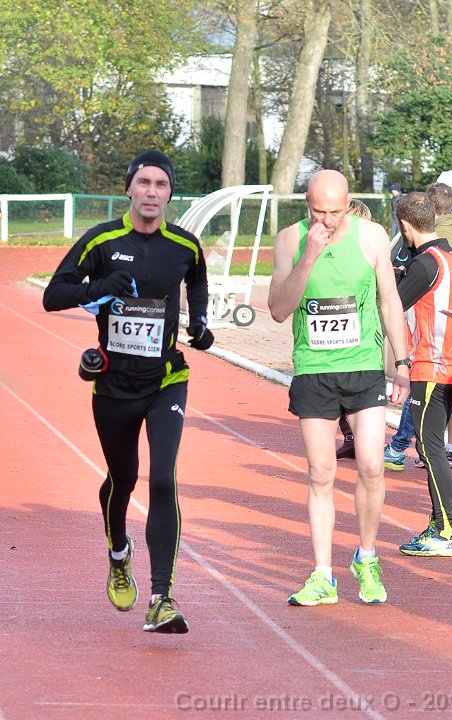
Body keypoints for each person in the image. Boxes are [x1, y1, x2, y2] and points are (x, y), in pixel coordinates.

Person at [43, 150, 214, 633]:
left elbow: (197, 280)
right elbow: (53, 295)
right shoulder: (102, 240)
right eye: (144, 183)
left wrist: (200, 322)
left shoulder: (184, 244)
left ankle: (161, 597)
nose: (151, 192)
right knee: (123, 479)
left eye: (161, 184)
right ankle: (119, 552)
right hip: (114, 384)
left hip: (166, 380)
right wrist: (99, 286)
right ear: (129, 189)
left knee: (163, 479)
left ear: (170, 193)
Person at [268, 169, 410, 606]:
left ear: (348, 204)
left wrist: (402, 363)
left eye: (334, 212)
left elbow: (390, 300)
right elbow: (278, 309)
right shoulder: (290, 240)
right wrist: (308, 256)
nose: (326, 221)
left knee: (371, 464)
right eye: (318, 212)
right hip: (314, 369)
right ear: (306, 205)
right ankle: (322, 575)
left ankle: (366, 558)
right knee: (321, 473)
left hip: (363, 366)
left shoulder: (371, 236)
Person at [395, 192, 452, 557]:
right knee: (433, 448)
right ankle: (439, 524)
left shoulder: (426, 264)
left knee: (430, 449)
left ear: (405, 225)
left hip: (432, 366)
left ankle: (445, 530)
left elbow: (392, 305)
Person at [384, 182, 452, 471]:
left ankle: (400, 446)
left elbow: (397, 303)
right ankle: (448, 447)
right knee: (450, 400)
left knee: (429, 434)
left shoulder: (430, 256)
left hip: (435, 348)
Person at [335, 198, 373, 460]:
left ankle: (361, 439)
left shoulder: (370, 253)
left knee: (353, 389)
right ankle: (352, 437)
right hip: (338, 331)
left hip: (363, 332)